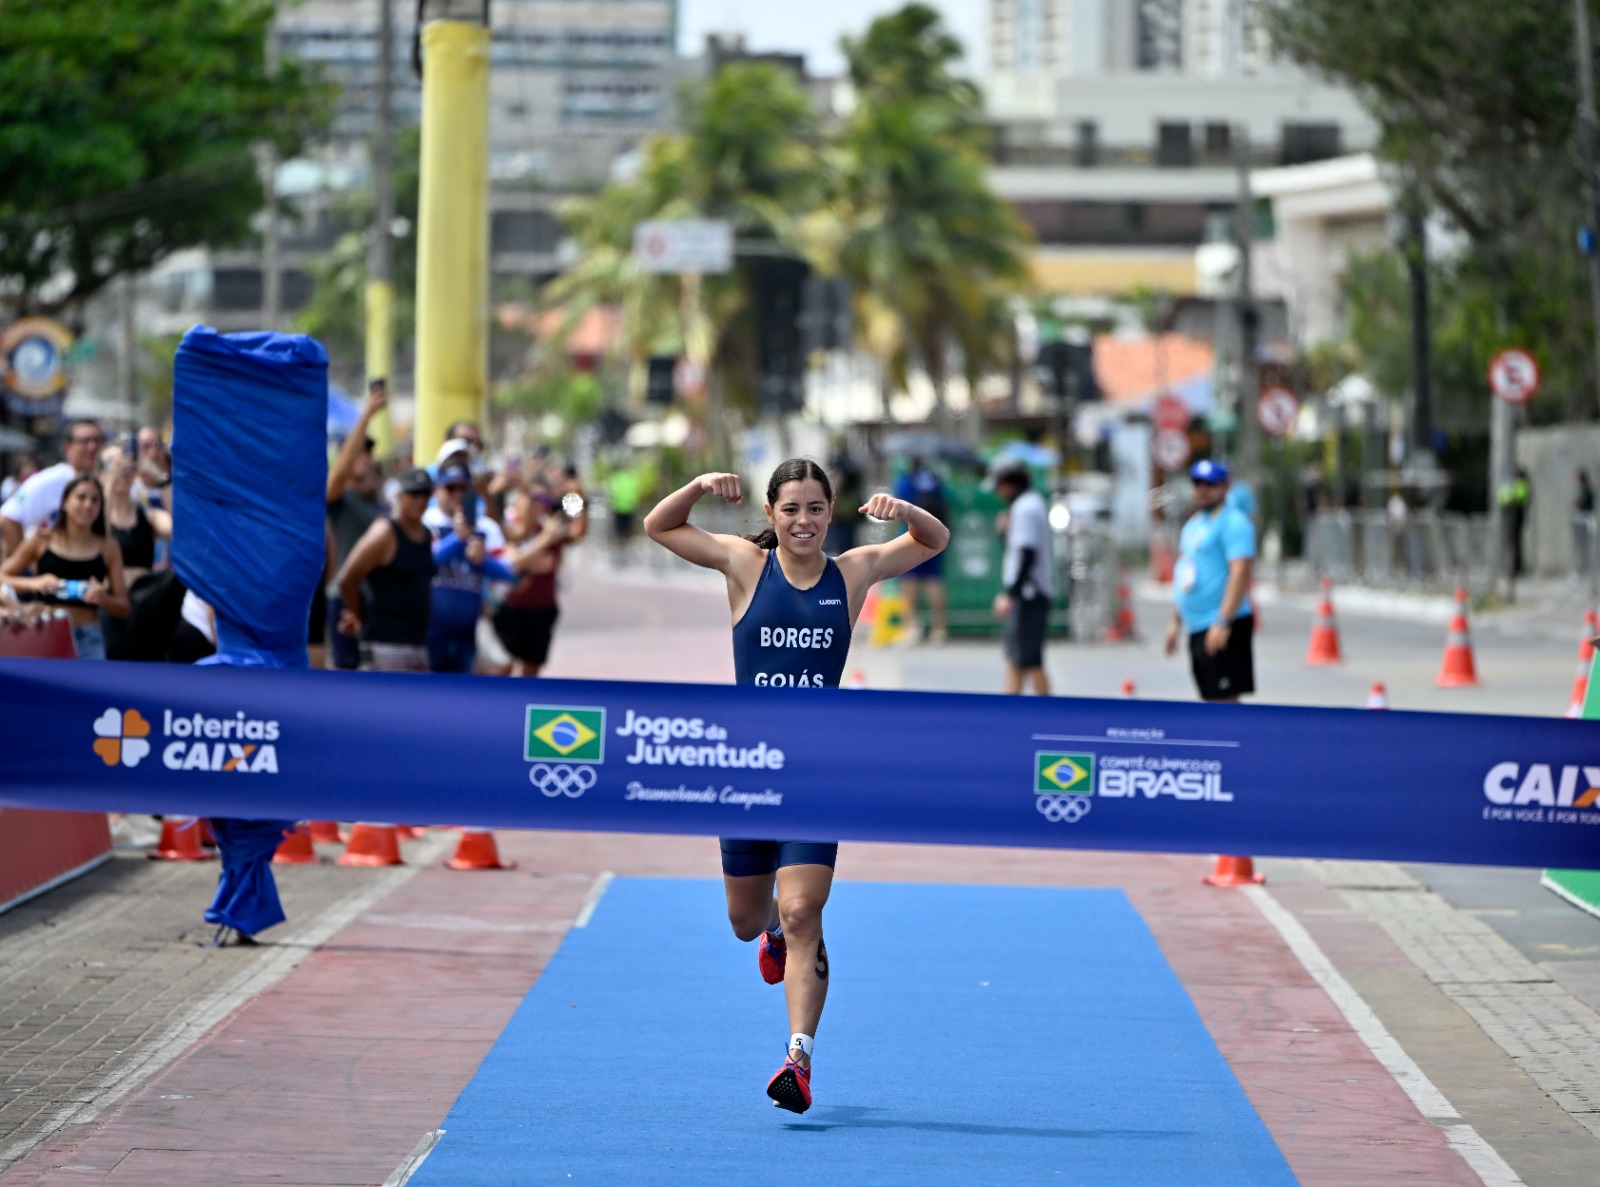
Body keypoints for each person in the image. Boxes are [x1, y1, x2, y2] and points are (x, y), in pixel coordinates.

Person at [643, 457, 949, 1115]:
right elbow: (659, 525)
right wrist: (698, 487)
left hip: (817, 768)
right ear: (771, 515)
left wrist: (904, 511)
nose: (804, 520)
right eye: (791, 509)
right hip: (746, 769)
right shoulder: (744, 565)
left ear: (830, 512)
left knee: (805, 907)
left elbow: (933, 541)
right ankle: (773, 936)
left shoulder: (853, 571)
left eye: (815, 508)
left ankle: (799, 1058)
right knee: (746, 919)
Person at [0, 475, 130, 659]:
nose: (88, 505)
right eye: (81, 497)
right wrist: (35, 583)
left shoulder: (108, 546)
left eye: (95, 500)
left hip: (89, 637)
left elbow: (124, 607)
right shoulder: (42, 540)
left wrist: (103, 598)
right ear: (64, 503)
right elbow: (3, 576)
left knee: (89, 688)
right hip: (47, 632)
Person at [1163, 459, 1256, 703]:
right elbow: (1185, 573)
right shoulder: (1193, 525)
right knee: (1208, 700)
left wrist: (1223, 621)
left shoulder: (1234, 522)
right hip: (1197, 626)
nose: (1203, 489)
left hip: (1222, 623)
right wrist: (1176, 621)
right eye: (1197, 483)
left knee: (1224, 704)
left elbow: (1240, 571)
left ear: (1224, 487)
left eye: (1210, 484)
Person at [336, 466, 437, 672]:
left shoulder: (426, 535)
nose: (421, 500)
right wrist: (359, 616)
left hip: (417, 642)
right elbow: (348, 578)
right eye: (414, 493)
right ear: (399, 496)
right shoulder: (384, 532)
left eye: (425, 494)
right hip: (386, 644)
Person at [424, 462, 515, 673]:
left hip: (467, 637)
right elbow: (424, 565)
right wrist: (458, 539)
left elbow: (508, 574)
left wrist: (484, 560)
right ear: (438, 491)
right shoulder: (426, 522)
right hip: (429, 636)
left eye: (462, 489)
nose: (457, 494)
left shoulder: (486, 527)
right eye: (450, 488)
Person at [325, 381, 388, 669]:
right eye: (358, 452)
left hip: (376, 600)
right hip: (344, 599)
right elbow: (336, 478)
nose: (365, 457)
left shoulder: (378, 503)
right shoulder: (337, 497)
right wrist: (367, 415)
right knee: (345, 676)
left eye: (368, 452)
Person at [99, 443, 178, 661]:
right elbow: (98, 536)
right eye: (111, 464)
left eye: (126, 465)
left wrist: (160, 477)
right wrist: (109, 481)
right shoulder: (95, 517)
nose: (120, 471)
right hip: (111, 605)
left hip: (145, 608)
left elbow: (180, 531)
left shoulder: (149, 516)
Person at [492, 482, 575, 677]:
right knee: (503, 666)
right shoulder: (511, 529)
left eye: (542, 501)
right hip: (511, 609)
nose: (537, 506)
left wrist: (579, 497)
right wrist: (543, 542)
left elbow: (577, 532)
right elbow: (512, 562)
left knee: (532, 669)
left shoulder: (552, 527)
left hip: (542, 608)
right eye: (531, 500)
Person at [991, 464, 1053, 695]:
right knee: (1018, 658)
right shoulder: (1028, 505)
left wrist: (1011, 593)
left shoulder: (1025, 509)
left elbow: (1027, 554)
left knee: (1029, 658)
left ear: (1009, 485)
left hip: (1030, 592)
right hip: (1030, 591)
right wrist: (1004, 533)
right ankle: (1010, 709)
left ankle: (1048, 711)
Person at [1, 419, 104, 557]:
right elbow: (7, 518)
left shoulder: (104, 481)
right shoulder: (52, 479)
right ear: (67, 447)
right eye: (85, 441)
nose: (92, 447)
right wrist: (28, 564)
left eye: (97, 440)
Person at [891, 457, 949, 642]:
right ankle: (939, 629)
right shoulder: (934, 479)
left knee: (909, 579)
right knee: (934, 580)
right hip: (934, 533)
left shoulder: (906, 480)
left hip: (910, 534)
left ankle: (912, 627)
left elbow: (897, 508)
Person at [1499, 467, 1531, 578]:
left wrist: (1509, 496)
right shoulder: (1518, 484)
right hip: (1514, 517)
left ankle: (1516, 567)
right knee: (1514, 542)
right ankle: (1514, 566)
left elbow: (1516, 497)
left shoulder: (1521, 485)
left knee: (1515, 543)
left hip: (1516, 516)